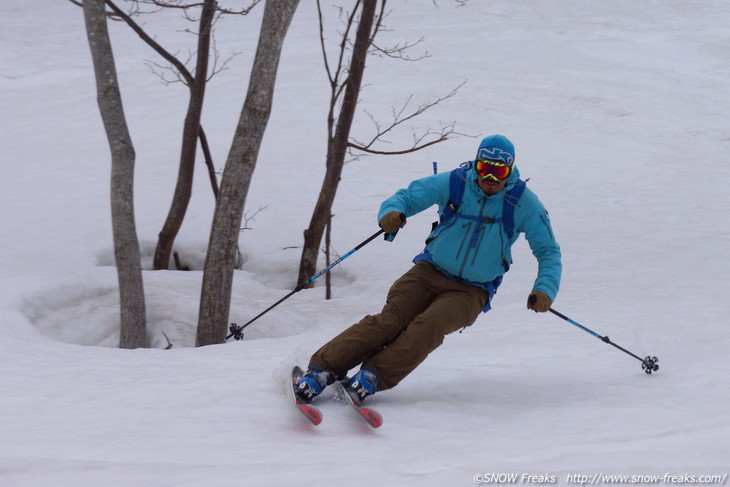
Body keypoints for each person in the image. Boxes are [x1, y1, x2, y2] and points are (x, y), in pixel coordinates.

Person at [295, 134, 562, 403]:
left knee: (429, 326)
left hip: (472, 291)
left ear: (511, 170)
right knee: (391, 321)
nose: (490, 180)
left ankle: (373, 376)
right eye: (484, 170)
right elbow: (408, 197)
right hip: (429, 270)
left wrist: (545, 289)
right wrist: (392, 212)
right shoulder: (455, 183)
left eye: (498, 172)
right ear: (476, 164)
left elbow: (548, 251)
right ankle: (322, 370)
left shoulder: (522, 203)